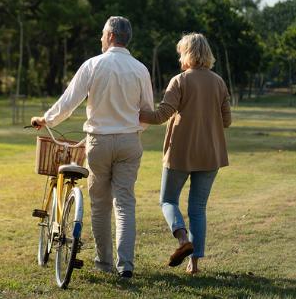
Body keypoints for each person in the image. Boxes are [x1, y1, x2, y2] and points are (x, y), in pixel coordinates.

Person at [31, 16, 154, 279]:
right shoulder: (140, 69)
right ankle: (126, 265)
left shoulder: (94, 65)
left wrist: (47, 119)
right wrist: (132, 130)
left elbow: (68, 102)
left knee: (100, 204)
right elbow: (147, 113)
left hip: (98, 142)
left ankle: (104, 262)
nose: (100, 38)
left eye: (102, 34)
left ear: (110, 35)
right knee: (125, 203)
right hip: (129, 142)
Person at [139, 33, 231, 275]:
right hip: (210, 154)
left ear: (187, 54)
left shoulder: (179, 81)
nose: (179, 56)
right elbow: (227, 121)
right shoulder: (219, 82)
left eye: (181, 52)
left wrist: (133, 112)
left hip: (181, 152)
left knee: (168, 200)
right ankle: (194, 264)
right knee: (198, 209)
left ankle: (182, 241)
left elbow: (160, 116)